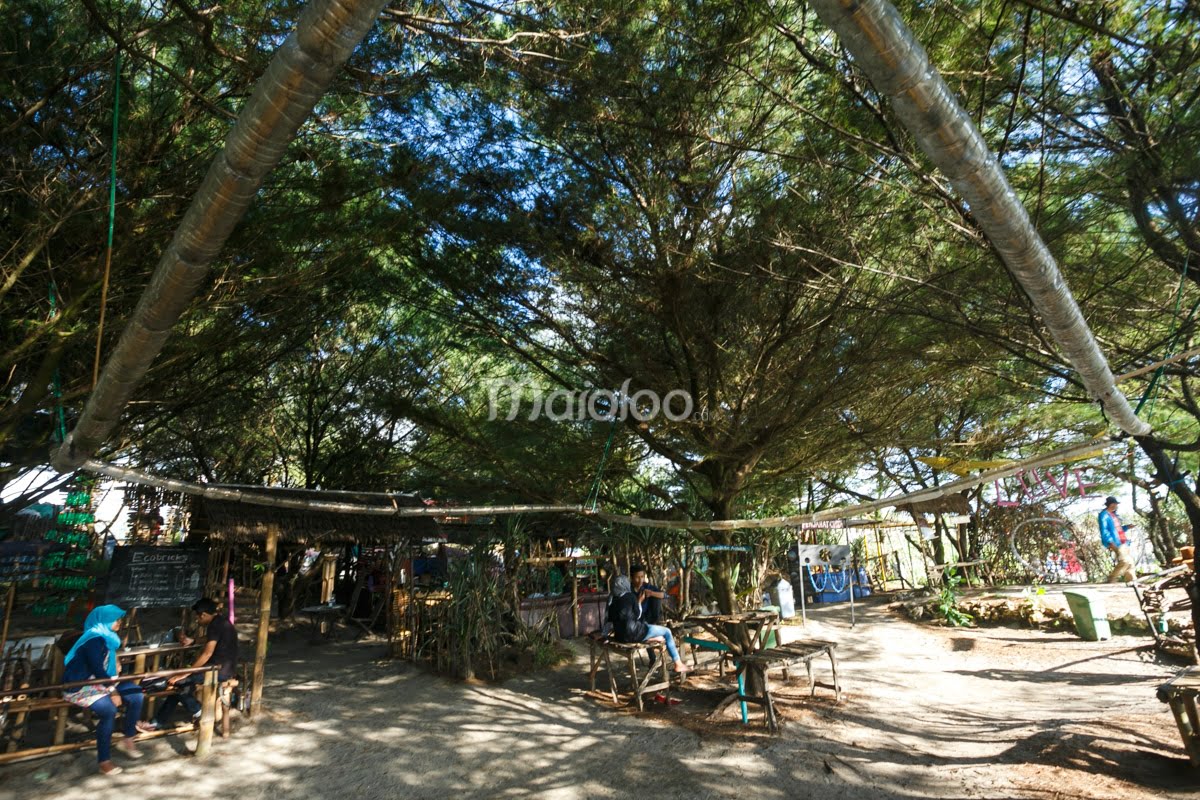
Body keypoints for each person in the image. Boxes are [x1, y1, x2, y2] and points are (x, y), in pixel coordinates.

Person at [62, 605, 148, 775]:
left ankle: (128, 738)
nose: (120, 623)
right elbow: (96, 668)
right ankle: (104, 761)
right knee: (109, 710)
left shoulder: (108, 638)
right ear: (105, 620)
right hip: (81, 685)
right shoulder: (93, 639)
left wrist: (114, 670)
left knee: (136, 693)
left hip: (103, 682)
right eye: (116, 619)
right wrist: (112, 690)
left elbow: (106, 667)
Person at [146, 598, 238, 729]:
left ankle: (198, 711)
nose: (196, 620)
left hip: (218, 671)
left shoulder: (214, 625)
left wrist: (185, 673)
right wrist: (193, 641)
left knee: (178, 683)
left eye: (197, 617)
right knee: (178, 685)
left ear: (204, 615)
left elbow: (207, 653)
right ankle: (156, 722)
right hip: (223, 669)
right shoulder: (221, 621)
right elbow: (211, 641)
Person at [606, 575, 687, 674]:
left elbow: (608, 620)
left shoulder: (611, 599)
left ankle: (652, 638)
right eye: (637, 577)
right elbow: (637, 615)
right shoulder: (630, 596)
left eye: (642, 577)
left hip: (620, 636)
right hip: (635, 633)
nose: (640, 580)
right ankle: (678, 664)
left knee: (647, 629)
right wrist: (639, 601)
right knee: (667, 632)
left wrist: (603, 634)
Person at [1098, 496, 1136, 583]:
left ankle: (1132, 582)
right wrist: (1109, 541)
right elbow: (1104, 530)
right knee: (1125, 560)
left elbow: (1118, 529)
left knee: (1130, 562)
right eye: (1115, 504)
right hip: (1115, 542)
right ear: (1110, 504)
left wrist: (1127, 527)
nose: (1116, 505)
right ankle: (1111, 579)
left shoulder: (1114, 515)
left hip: (1123, 541)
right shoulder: (1103, 515)